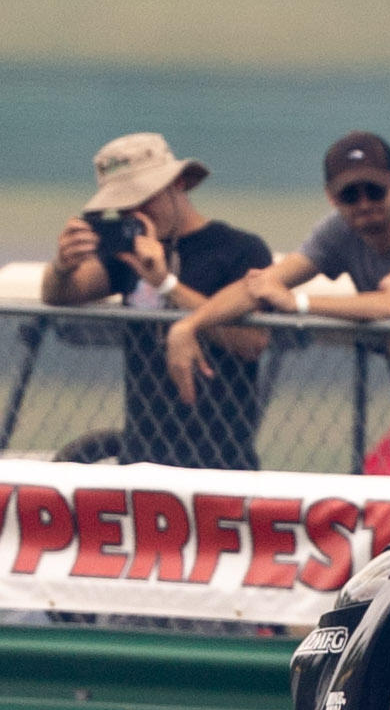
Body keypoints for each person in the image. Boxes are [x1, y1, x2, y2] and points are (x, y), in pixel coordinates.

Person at [165, 131, 390, 468]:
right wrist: (189, 326)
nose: (363, 203)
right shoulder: (338, 232)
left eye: (374, 190)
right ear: (331, 197)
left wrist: (299, 303)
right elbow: (261, 284)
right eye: (350, 194)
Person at [42, 133, 270, 469]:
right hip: (140, 459)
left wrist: (166, 285)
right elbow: (60, 294)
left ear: (177, 183)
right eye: (122, 208)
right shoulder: (127, 252)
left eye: (142, 200)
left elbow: (252, 342)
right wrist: (62, 265)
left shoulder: (239, 250)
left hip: (221, 461)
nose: (134, 214)